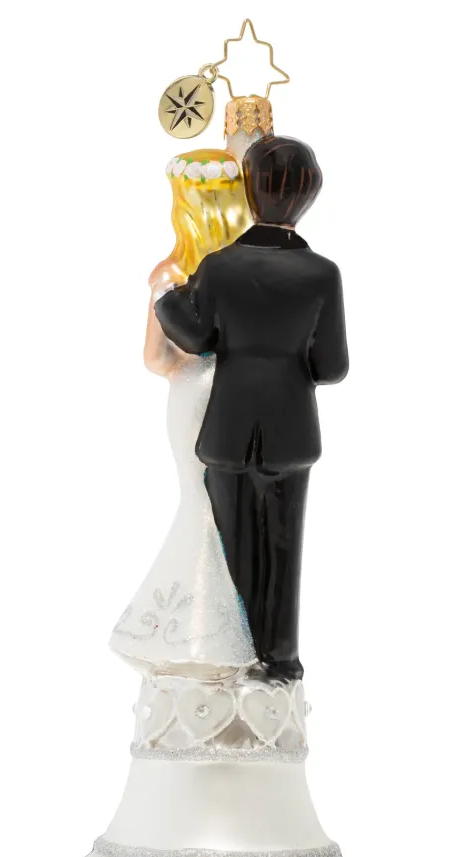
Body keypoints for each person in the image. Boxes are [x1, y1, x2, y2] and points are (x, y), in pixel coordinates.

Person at [155, 136, 348, 682]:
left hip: (230, 426)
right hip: (291, 430)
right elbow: (332, 366)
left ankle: (235, 650)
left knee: (233, 544)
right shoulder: (322, 274)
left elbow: (195, 337)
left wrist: (166, 299)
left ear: (248, 192)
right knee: (284, 546)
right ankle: (280, 657)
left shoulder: (220, 266)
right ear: (309, 197)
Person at [109, 150, 257, 680]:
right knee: (237, 503)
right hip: (243, 389)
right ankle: (236, 621)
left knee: (198, 497)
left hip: (192, 391)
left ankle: (199, 626)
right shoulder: (250, 268)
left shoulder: (171, 272)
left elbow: (156, 358)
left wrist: (188, 362)